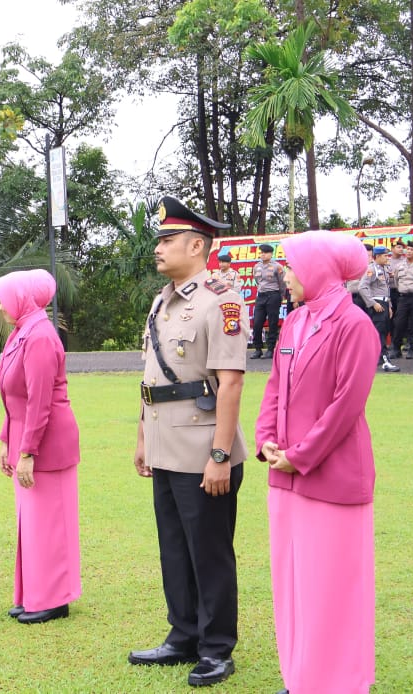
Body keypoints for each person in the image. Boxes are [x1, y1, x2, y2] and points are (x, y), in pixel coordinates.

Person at [128, 196, 248, 688]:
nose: (158, 247)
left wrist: (220, 455)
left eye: (167, 239)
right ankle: (183, 635)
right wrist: (141, 437)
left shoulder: (221, 299)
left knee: (209, 550)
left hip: (203, 450)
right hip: (165, 443)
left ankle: (217, 647)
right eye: (159, 239)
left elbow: (231, 382)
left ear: (196, 245)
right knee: (174, 547)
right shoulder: (163, 298)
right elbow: (154, 375)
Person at [255, 229, 379, 694]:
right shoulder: (294, 322)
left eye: (291, 265)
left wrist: (299, 456)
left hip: (331, 475)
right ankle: (302, 677)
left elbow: (346, 405)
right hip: (286, 478)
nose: (285, 275)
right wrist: (268, 440)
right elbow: (274, 389)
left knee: (332, 587)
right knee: (294, 585)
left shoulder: (355, 326)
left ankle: (338, 683)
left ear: (318, 269)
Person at [0, 269, 81, 625]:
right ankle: (35, 593)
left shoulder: (40, 336)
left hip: (47, 442)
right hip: (24, 434)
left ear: (23, 299)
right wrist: (6, 440)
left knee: (49, 524)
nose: (0, 306)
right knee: (32, 523)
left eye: (5, 297)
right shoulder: (21, 332)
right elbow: (13, 394)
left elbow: (40, 401)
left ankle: (55, 598)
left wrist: (27, 452)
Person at [358, 246, 400, 372]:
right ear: (377, 256)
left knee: (383, 331)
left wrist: (390, 306)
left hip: (385, 303)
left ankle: (378, 359)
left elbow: (385, 289)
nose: (387, 258)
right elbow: (362, 287)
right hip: (377, 304)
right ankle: (385, 361)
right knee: (380, 333)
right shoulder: (372, 269)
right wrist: (372, 303)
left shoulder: (384, 269)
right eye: (385, 255)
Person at [250, 243, 285, 359]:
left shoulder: (277, 266)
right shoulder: (256, 267)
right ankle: (258, 349)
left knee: (272, 323)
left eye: (265, 253)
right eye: (261, 253)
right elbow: (257, 281)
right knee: (257, 323)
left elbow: (282, 283)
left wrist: (280, 296)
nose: (262, 255)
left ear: (271, 254)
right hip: (261, 296)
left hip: (273, 295)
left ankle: (270, 349)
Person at [392, 240, 413, 360]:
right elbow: (396, 282)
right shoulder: (399, 266)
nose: (408, 252)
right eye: (407, 249)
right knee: (399, 322)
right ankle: (396, 349)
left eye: (412, 250)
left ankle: (412, 349)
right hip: (403, 298)